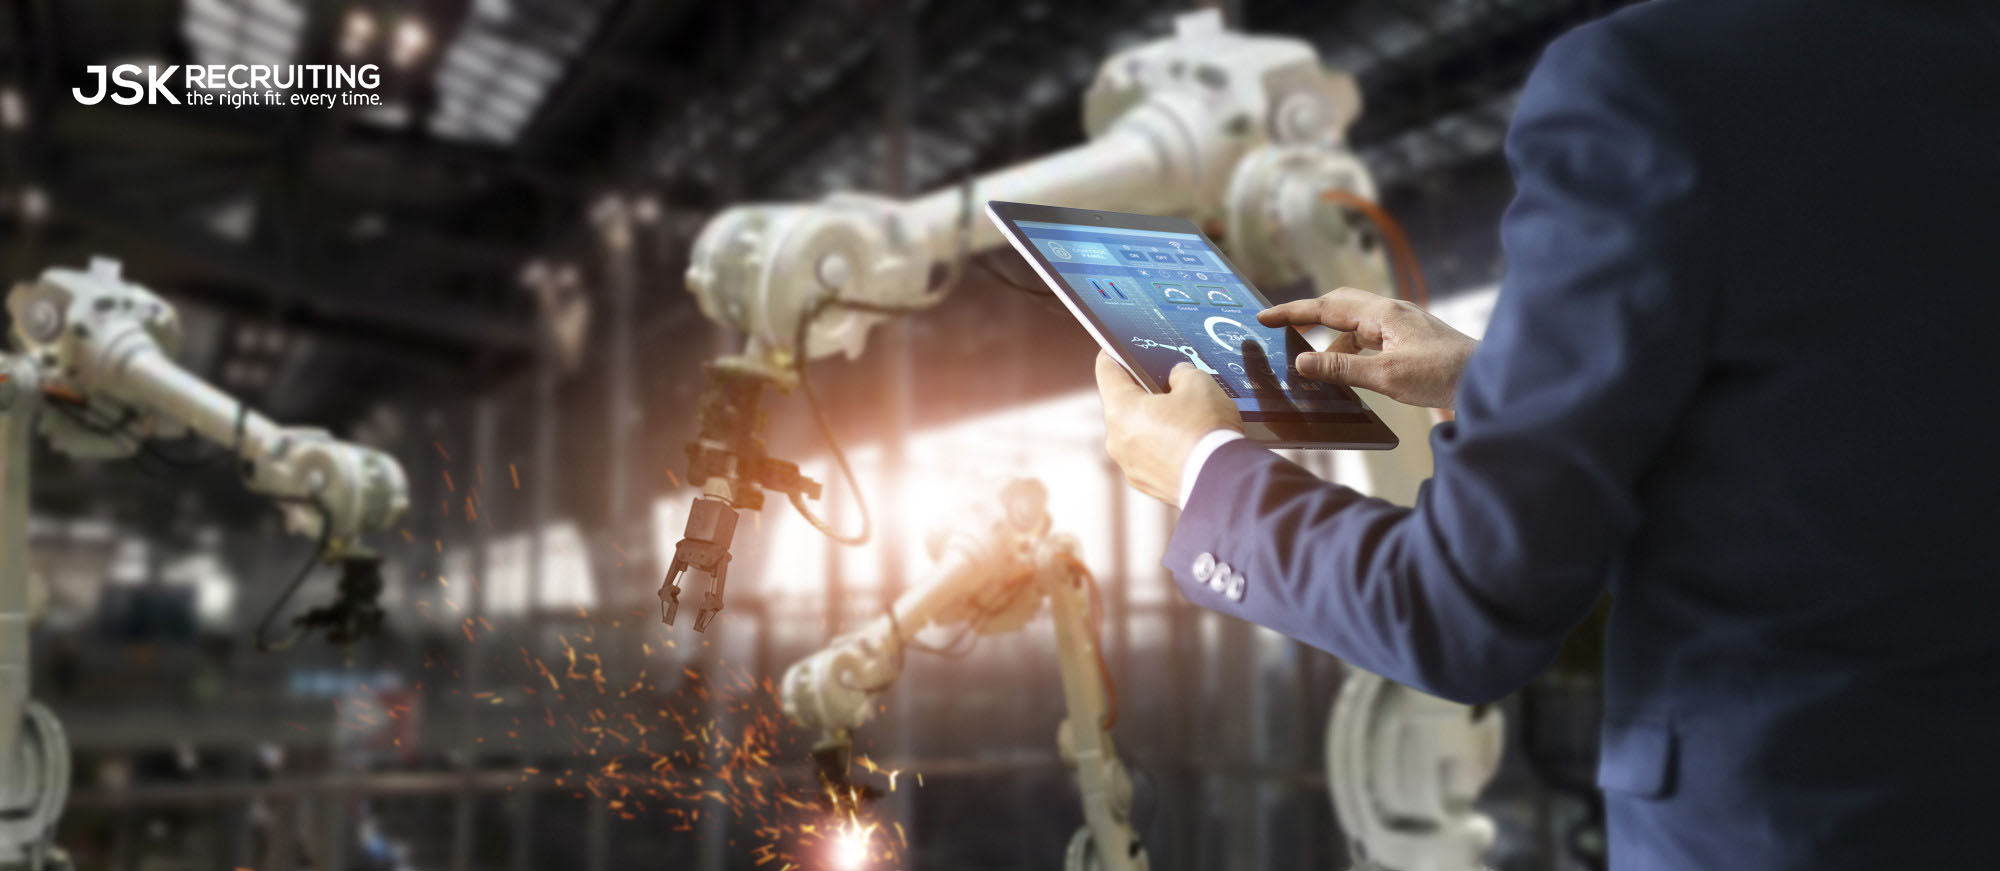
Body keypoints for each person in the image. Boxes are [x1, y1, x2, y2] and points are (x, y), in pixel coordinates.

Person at [1092, 1, 2000, 869]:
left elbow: (1455, 612)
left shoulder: (1655, 81)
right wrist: (1507, 383)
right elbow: (1857, 402)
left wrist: (1204, 471)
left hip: (1778, 834)